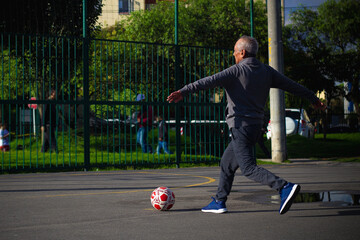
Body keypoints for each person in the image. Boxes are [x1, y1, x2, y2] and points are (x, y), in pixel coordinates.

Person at [167, 36, 326, 215]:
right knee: (227, 163)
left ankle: (284, 187)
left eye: (235, 52)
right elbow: (292, 86)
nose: (234, 55)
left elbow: (207, 81)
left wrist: (183, 91)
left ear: (242, 52)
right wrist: (314, 99)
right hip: (255, 127)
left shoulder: (236, 71)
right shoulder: (267, 71)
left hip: (241, 126)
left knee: (249, 168)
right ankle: (219, 201)